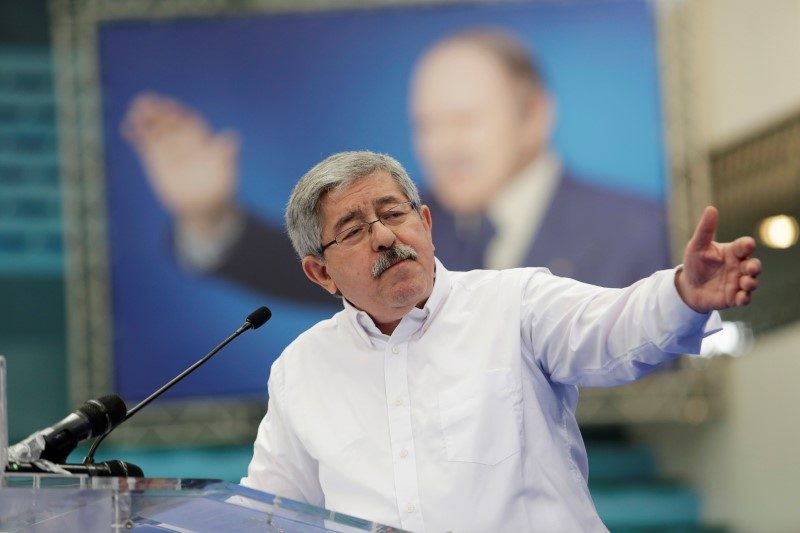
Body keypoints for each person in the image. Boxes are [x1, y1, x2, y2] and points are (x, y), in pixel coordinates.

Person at [239, 151, 761, 532]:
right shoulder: (301, 369)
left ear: (425, 222)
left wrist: (682, 294)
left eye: (394, 213)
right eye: (353, 230)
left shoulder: (515, 302)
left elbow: (613, 329)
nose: (384, 236)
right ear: (320, 273)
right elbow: (266, 511)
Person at [121, 28, 667, 306]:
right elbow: (306, 265)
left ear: (535, 117)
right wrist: (210, 216)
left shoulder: (643, 230)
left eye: (464, 120)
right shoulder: (415, 224)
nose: (443, 146)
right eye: (427, 125)